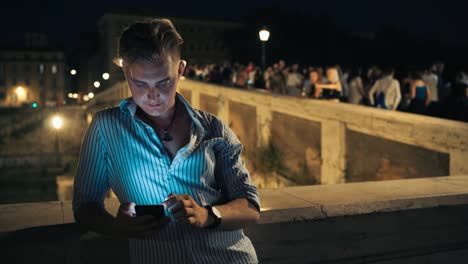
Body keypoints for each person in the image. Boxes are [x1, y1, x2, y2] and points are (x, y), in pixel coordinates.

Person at [73, 18, 261, 264]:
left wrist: (208, 214)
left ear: (181, 69)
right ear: (125, 72)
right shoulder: (105, 128)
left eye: (164, 82)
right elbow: (85, 206)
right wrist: (118, 228)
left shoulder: (214, 129)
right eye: (140, 84)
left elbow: (250, 205)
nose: (153, 95)